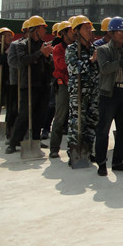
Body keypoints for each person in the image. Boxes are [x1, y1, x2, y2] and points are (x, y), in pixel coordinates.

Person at [95, 17, 123, 176]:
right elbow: (105, 69)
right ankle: (101, 163)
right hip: (109, 93)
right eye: (119, 32)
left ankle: (118, 162)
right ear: (111, 33)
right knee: (103, 130)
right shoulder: (103, 50)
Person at [6, 16, 53, 154]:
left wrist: (47, 57)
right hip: (29, 84)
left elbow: (49, 63)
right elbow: (22, 61)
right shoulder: (23, 45)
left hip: (43, 84)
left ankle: (36, 139)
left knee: (40, 114)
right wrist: (40, 53)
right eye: (43, 28)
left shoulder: (44, 45)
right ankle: (13, 142)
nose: (45, 31)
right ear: (35, 29)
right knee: (24, 115)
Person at [65, 16, 100, 166]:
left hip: (93, 91)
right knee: (77, 122)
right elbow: (73, 68)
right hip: (79, 92)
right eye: (86, 28)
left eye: (90, 28)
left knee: (92, 122)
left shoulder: (93, 49)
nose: (90, 31)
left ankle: (87, 151)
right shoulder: (72, 49)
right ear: (77, 31)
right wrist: (91, 61)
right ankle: (74, 152)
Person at [49, 21, 74, 158]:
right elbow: (62, 65)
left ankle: (75, 148)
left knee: (77, 118)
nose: (74, 33)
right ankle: (54, 148)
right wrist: (76, 63)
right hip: (63, 84)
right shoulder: (58, 49)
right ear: (64, 33)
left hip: (77, 83)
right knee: (60, 117)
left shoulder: (79, 47)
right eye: (71, 31)